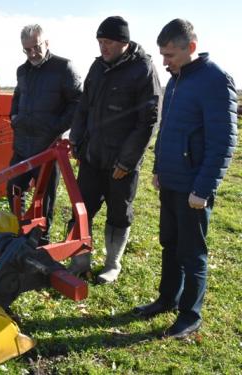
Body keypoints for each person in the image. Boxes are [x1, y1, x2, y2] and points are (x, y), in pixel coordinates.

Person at [133, 19, 238, 338]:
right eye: (162, 54)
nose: (164, 61)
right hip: (171, 180)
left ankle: (190, 314)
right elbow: (168, 128)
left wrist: (203, 189)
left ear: (191, 47)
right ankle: (168, 298)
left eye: (170, 55)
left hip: (194, 187)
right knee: (170, 244)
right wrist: (157, 169)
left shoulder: (215, 80)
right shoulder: (177, 80)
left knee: (192, 253)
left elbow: (223, 142)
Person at [69, 16, 161, 283]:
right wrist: (76, 139)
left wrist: (127, 162)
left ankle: (112, 264)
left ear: (124, 41)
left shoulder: (143, 69)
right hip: (92, 156)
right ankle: (80, 262)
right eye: (100, 41)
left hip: (121, 164)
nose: (103, 47)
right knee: (81, 210)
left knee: (119, 214)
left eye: (107, 41)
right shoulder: (97, 67)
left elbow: (148, 121)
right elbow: (83, 106)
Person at [8, 24, 82, 243]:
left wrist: (56, 127)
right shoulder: (23, 71)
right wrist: (14, 118)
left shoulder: (64, 67)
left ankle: (42, 239)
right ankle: (17, 231)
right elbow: (17, 96)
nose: (32, 53)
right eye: (27, 50)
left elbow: (78, 101)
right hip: (22, 144)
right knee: (13, 188)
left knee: (45, 197)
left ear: (46, 43)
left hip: (47, 146)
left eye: (36, 47)